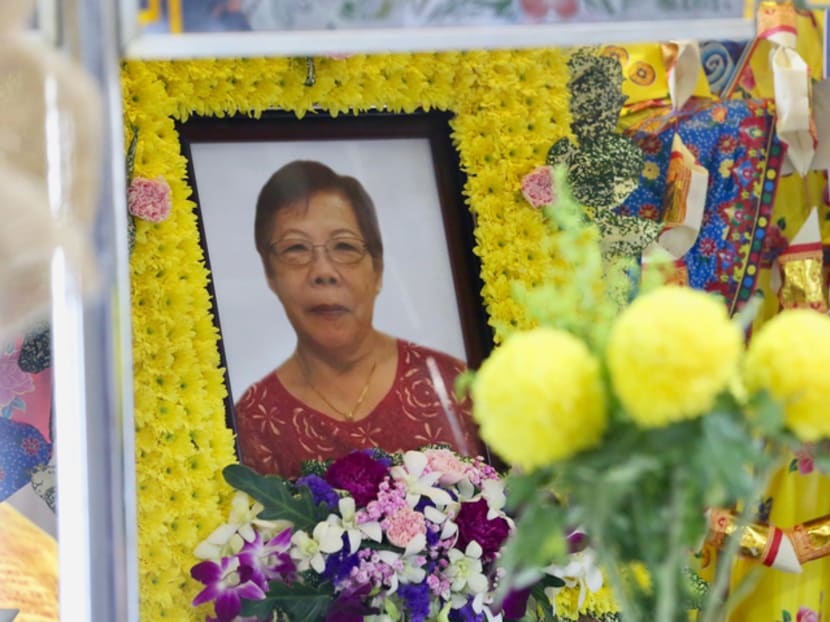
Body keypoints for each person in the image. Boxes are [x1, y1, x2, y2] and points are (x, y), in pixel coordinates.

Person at [234, 160, 484, 478]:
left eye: (344, 246)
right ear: (270, 273)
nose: (323, 272)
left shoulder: (450, 383)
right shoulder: (254, 421)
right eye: (296, 248)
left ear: (377, 269)